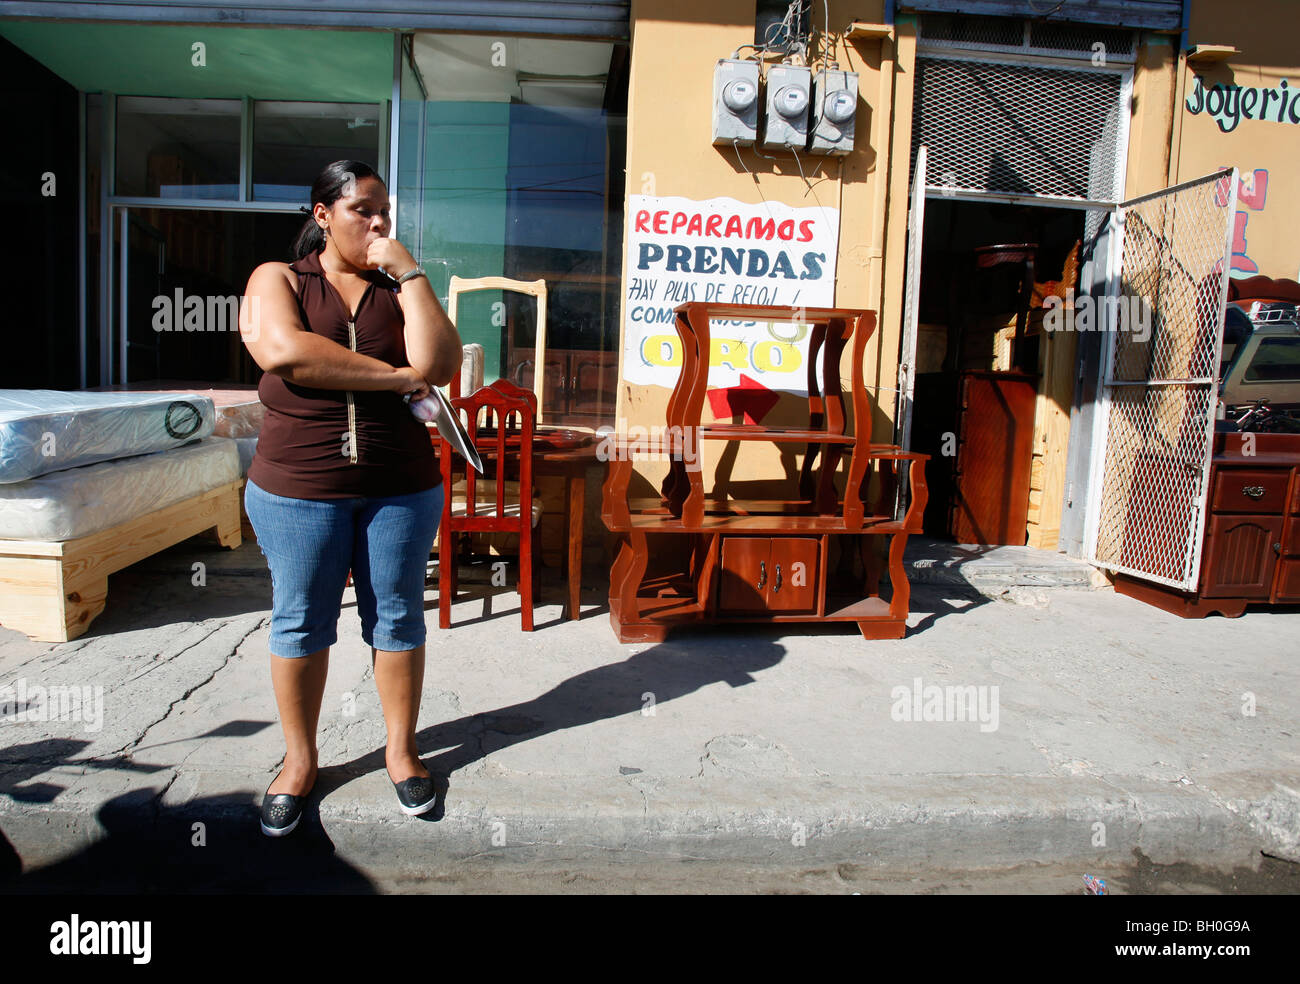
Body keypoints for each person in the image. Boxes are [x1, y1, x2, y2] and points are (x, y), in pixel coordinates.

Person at [238, 160, 463, 836]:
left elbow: (440, 365)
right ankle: (299, 762)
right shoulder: (279, 279)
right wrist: (398, 378)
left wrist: (412, 272)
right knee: (300, 622)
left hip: (401, 487)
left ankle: (401, 751)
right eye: (363, 208)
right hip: (299, 487)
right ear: (323, 214)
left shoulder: (399, 289)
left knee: (397, 620)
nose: (378, 222)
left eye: (384, 210)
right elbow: (288, 353)